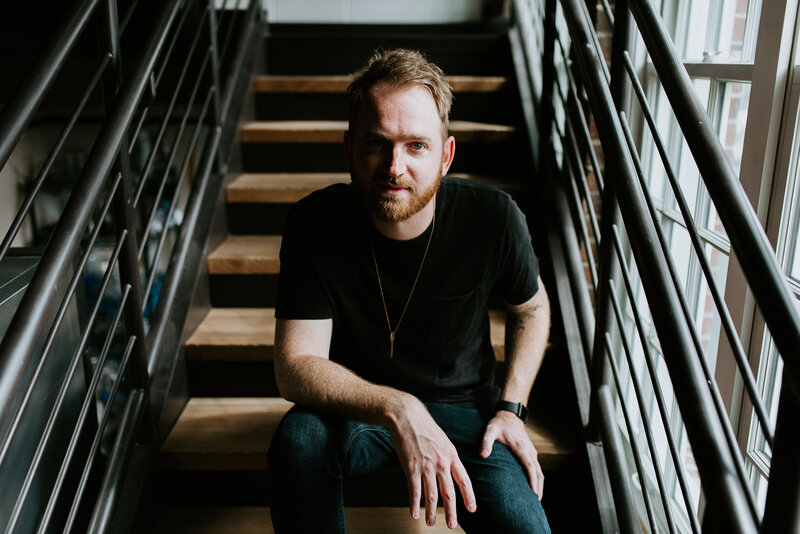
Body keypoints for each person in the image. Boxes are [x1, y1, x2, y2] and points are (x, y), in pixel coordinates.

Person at [268, 48, 551, 533]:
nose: (394, 166)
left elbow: (532, 308)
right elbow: (295, 367)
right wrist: (398, 407)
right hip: (359, 407)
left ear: (446, 155)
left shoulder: (494, 218)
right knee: (298, 439)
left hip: (467, 415)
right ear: (349, 148)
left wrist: (511, 410)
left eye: (416, 146)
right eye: (377, 143)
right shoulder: (314, 223)